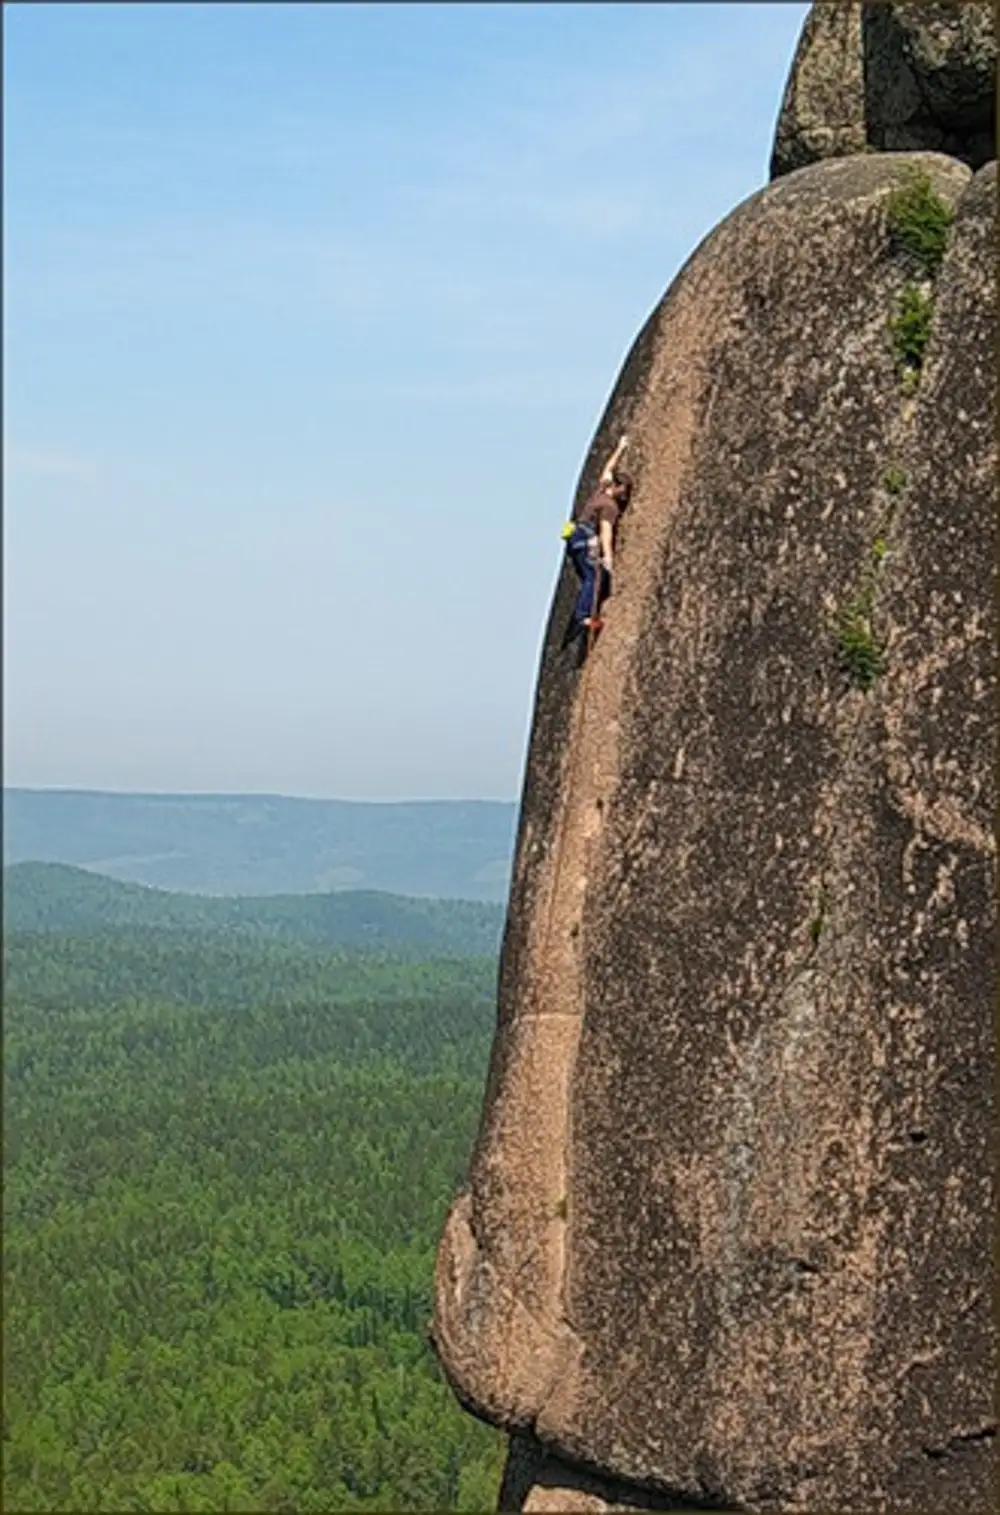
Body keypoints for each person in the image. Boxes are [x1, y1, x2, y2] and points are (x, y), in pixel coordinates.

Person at [564, 434, 633, 638]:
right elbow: (605, 531)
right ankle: (583, 617)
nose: (625, 496)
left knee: (587, 575)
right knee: (593, 577)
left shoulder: (601, 490)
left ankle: (583, 612)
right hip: (587, 540)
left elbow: (608, 468)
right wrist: (609, 558)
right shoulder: (609, 506)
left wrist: (620, 448)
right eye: (624, 490)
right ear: (617, 487)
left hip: (574, 537)